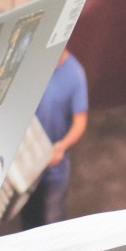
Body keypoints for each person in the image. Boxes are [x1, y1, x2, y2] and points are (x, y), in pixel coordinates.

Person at [28, 50, 89, 228]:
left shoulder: (75, 73)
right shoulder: (33, 67)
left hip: (55, 168)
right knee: (29, 225)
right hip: (30, 166)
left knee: (53, 223)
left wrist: (62, 146)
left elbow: (80, 121)